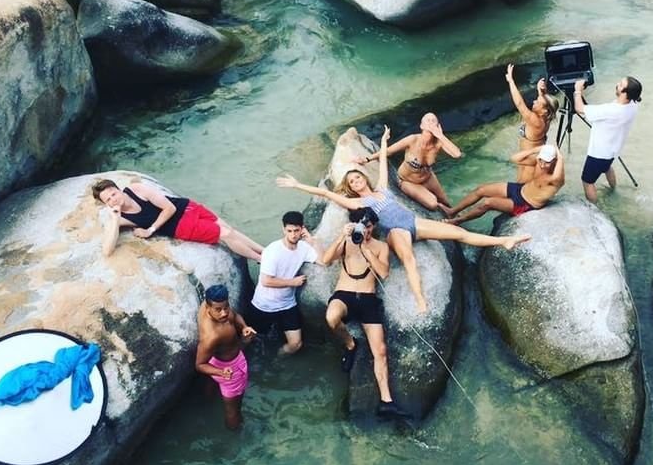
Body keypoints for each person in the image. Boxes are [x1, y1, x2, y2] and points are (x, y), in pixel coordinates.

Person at [278, 126, 530, 314]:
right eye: (353, 181)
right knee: (409, 259)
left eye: (358, 177)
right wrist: (297, 185)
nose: (357, 181)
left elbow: (384, 161)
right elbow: (326, 193)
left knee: (460, 234)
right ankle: (420, 299)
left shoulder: (382, 188)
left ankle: (504, 241)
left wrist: (384, 141)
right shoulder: (358, 203)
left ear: (364, 178)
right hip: (396, 231)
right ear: (351, 188)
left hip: (413, 221)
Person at [320, 207, 406, 419]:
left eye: (368, 226)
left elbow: (384, 273)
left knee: (381, 350)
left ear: (373, 226)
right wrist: (342, 236)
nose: (365, 231)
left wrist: (367, 250)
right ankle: (351, 344)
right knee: (331, 317)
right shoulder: (347, 241)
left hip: (368, 299)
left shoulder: (381, 246)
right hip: (344, 295)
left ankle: (386, 402)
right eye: (362, 226)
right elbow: (325, 260)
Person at [92, 179, 264, 262]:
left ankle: (265, 252)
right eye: (108, 200)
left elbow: (170, 208)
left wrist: (150, 230)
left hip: (186, 207)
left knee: (230, 230)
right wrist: (115, 219)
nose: (113, 199)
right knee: (225, 234)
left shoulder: (136, 189)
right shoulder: (119, 216)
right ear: (106, 204)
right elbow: (107, 250)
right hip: (180, 226)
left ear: (119, 189)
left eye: (113, 194)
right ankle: (263, 261)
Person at [246, 211, 323, 355]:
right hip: (264, 305)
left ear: (302, 229)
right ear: (283, 230)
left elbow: (323, 261)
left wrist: (313, 241)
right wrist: (292, 282)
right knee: (253, 340)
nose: (293, 235)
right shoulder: (272, 250)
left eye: (296, 231)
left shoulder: (304, 248)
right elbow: (266, 281)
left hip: (287, 304)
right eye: (289, 231)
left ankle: (278, 358)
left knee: (296, 344)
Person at [356, 112, 461, 213]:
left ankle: (453, 216)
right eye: (427, 120)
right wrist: (368, 159)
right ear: (422, 126)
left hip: (428, 177)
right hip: (407, 181)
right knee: (433, 204)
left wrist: (440, 136)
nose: (430, 122)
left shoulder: (438, 143)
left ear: (438, 126)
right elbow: (389, 151)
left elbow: (457, 154)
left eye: (433, 120)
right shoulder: (412, 139)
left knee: (445, 201)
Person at [444, 144, 566, 225]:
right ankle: (452, 211)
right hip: (519, 190)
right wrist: (536, 150)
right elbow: (514, 158)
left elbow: (558, 177)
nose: (543, 165)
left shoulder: (555, 179)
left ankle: (459, 220)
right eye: (541, 160)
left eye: (547, 162)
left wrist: (560, 157)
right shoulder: (538, 162)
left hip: (525, 205)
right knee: (481, 189)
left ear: (555, 161)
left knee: (487, 203)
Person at [195, 285, 257, 430]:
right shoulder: (212, 337)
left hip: (215, 359)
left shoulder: (207, 305)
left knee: (211, 382)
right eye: (218, 310)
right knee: (233, 410)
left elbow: (235, 315)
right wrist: (221, 372)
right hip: (229, 369)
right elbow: (199, 365)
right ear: (209, 307)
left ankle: (207, 403)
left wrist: (244, 327)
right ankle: (236, 434)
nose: (224, 313)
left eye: (226, 307)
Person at [573, 76, 642, 203]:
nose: (617, 84)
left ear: (625, 93)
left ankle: (594, 208)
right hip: (613, 151)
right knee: (607, 167)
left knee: (587, 181)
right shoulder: (633, 105)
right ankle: (613, 190)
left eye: (620, 85)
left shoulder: (610, 110)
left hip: (598, 153)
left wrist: (577, 90)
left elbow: (579, 108)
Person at [506, 63, 560, 183]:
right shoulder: (547, 117)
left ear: (544, 110)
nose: (534, 101)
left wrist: (511, 81)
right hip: (530, 157)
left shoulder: (535, 121)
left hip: (530, 161)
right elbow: (547, 104)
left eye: (537, 102)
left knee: (522, 186)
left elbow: (519, 104)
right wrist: (541, 91)